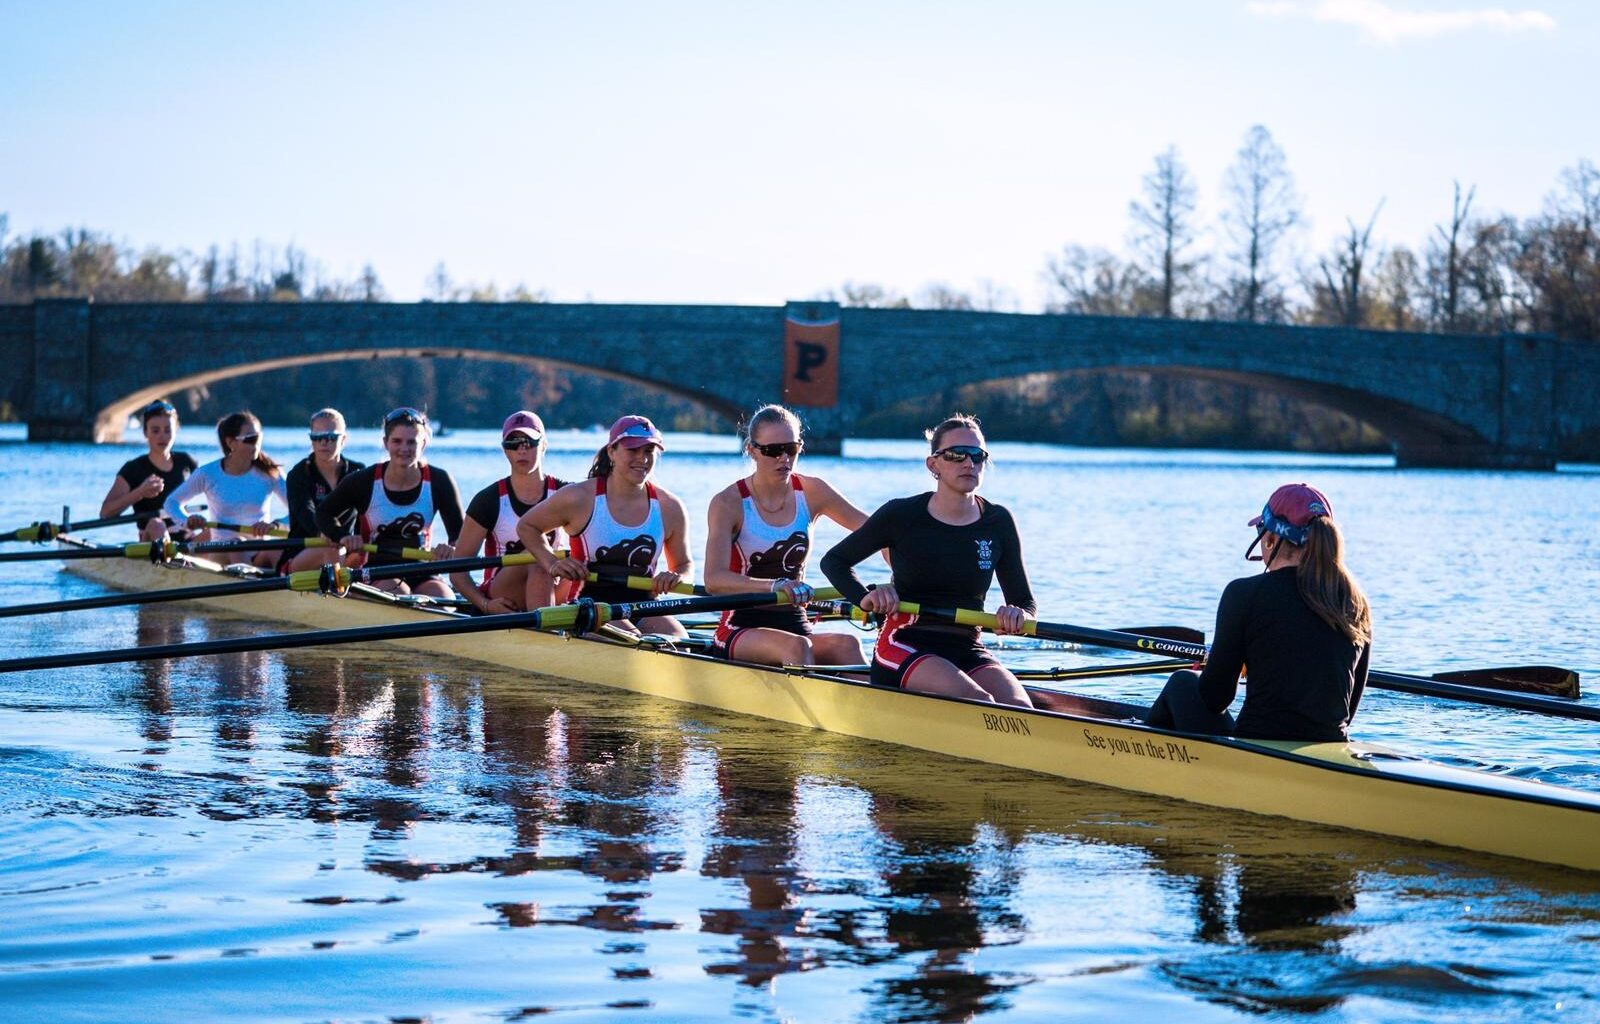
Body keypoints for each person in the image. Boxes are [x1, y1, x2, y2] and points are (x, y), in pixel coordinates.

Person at [821, 414, 1035, 708]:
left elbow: (1024, 602)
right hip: (905, 642)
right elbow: (834, 561)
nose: (968, 463)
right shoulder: (902, 515)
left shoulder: (998, 521)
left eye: (977, 456)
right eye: (956, 455)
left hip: (968, 646)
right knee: (980, 701)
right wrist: (866, 597)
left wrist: (1018, 615)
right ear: (933, 464)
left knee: (1020, 708)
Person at [1145, 483, 1372, 741]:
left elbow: (1214, 698)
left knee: (1183, 682)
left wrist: (1208, 672)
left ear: (1271, 538)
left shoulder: (1243, 594)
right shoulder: (1356, 602)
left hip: (1255, 749)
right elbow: (1348, 712)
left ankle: (1143, 759)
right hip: (1329, 747)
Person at [703, 404, 872, 667]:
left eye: (791, 449)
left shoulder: (813, 491)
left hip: (795, 623)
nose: (784, 458)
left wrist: (902, 572)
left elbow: (875, 532)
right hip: (740, 627)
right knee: (797, 646)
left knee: (847, 644)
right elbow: (714, 580)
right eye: (772, 451)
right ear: (751, 450)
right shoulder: (728, 503)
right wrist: (775, 585)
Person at [515, 415, 693, 636]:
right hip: (587, 604)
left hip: (642, 605)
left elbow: (684, 564)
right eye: (633, 450)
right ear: (612, 451)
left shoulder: (670, 507)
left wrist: (677, 577)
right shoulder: (579, 497)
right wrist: (551, 563)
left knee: (680, 641)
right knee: (631, 640)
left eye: (648, 451)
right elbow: (527, 526)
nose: (642, 459)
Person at [316, 407, 464, 598]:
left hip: (421, 567)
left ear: (424, 444)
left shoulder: (440, 481)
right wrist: (343, 536)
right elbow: (323, 513)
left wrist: (451, 548)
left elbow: (459, 535)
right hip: (375, 568)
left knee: (444, 598)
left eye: (412, 442)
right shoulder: (363, 481)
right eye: (397, 441)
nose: (404, 449)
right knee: (399, 592)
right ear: (386, 443)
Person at [449, 411, 569, 613]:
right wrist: (485, 605)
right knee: (537, 556)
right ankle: (545, 633)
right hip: (504, 595)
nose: (522, 450)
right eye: (513, 443)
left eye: (529, 441)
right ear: (505, 451)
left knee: (572, 560)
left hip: (556, 587)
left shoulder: (566, 494)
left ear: (544, 445)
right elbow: (456, 572)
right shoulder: (488, 501)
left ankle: (548, 624)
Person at [158, 411, 289, 567]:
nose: (256, 444)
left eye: (258, 438)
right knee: (236, 544)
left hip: (258, 550)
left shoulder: (270, 473)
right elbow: (171, 503)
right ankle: (252, 584)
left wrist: (276, 525)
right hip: (222, 551)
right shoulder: (208, 474)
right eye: (250, 439)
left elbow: (297, 511)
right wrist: (186, 521)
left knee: (278, 549)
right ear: (231, 442)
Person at [99, 399, 198, 542]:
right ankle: (169, 558)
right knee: (156, 524)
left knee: (218, 533)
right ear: (145, 432)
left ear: (176, 430)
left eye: (167, 430)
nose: (162, 436)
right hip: (152, 540)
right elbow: (105, 513)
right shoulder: (133, 469)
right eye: (155, 430)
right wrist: (140, 492)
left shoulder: (187, 462)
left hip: (186, 539)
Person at [280, 408, 364, 575]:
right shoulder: (298, 475)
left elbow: (367, 517)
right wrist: (327, 533)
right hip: (300, 554)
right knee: (330, 549)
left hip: (342, 551)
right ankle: (340, 594)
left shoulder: (358, 473)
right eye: (317, 437)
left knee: (361, 553)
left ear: (344, 440)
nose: (323, 442)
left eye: (331, 437)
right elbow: (306, 512)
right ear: (311, 440)